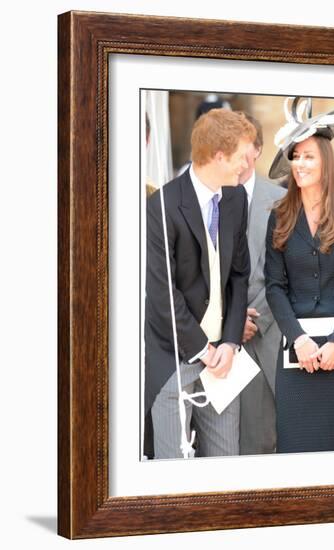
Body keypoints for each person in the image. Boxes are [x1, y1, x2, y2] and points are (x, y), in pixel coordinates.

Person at [144, 108, 256, 459]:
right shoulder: (162, 204)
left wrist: (231, 342)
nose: (248, 163)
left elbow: (239, 276)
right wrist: (203, 350)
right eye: (242, 155)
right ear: (219, 156)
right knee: (172, 469)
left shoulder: (236, 198)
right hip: (173, 358)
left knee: (225, 464)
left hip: (223, 360)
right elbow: (162, 293)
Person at [265, 97, 334, 453]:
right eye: (296, 156)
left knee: (331, 452)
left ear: (325, 161)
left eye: (309, 155)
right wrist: (300, 340)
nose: (301, 163)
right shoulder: (278, 217)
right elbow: (274, 288)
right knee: (292, 449)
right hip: (296, 351)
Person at [237, 113, 286, 455]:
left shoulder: (281, 201)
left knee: (263, 440)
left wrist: (254, 319)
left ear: (257, 149)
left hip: (267, 335)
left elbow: (286, 273)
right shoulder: (201, 195)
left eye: (243, 144)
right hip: (217, 340)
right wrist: (230, 319)